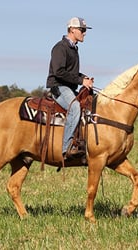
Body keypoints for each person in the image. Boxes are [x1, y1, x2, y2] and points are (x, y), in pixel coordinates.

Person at [46, 17, 94, 160]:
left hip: (68, 87)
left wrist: (84, 78)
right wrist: (81, 80)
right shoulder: (60, 48)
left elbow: (71, 73)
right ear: (72, 30)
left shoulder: (73, 48)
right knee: (75, 108)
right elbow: (58, 72)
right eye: (82, 30)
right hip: (58, 87)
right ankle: (66, 148)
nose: (84, 33)